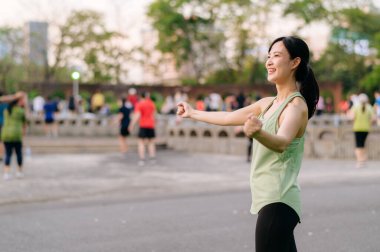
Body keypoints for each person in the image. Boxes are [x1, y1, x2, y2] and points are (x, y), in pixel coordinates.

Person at [177, 36, 319, 252]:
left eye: (277, 56)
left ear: (295, 62)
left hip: (279, 200)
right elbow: (228, 117)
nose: (269, 62)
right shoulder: (266, 104)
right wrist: (193, 113)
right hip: (272, 201)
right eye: (268, 56)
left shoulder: (296, 106)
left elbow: (281, 142)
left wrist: (258, 133)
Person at [2, 93, 27, 180]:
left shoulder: (6, 110)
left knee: (8, 154)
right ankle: (19, 171)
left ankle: (6, 172)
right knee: (18, 154)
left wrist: (13, 97)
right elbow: (24, 124)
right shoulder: (20, 111)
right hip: (16, 135)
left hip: (6, 135)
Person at [129, 91, 157, 166]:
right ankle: (152, 158)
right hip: (151, 125)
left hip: (143, 125)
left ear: (141, 96)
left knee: (141, 142)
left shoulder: (139, 104)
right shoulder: (152, 103)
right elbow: (154, 114)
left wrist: (131, 125)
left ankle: (142, 159)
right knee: (151, 142)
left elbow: (137, 115)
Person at [349, 93, 375, 168]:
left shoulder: (355, 107)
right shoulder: (369, 107)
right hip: (366, 128)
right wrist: (368, 123)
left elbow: (352, 117)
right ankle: (363, 160)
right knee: (363, 144)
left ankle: (359, 160)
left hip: (357, 128)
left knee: (358, 145)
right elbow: (373, 118)